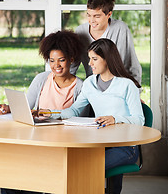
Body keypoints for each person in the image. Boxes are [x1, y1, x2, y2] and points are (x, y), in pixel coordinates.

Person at [45, 39, 145, 194]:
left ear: (108, 59)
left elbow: (139, 120)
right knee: (74, 165)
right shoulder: (90, 83)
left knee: (86, 167)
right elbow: (75, 111)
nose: (90, 63)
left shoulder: (127, 85)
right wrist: (50, 113)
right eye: (89, 58)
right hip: (100, 145)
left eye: (94, 59)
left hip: (126, 147)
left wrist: (115, 118)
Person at [0, 30, 87, 194]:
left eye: (61, 60)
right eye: (52, 60)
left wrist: (51, 113)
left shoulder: (81, 86)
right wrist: (8, 108)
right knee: (9, 176)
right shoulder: (41, 79)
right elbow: (27, 106)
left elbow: (80, 119)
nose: (56, 65)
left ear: (71, 60)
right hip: (36, 139)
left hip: (62, 144)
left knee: (35, 178)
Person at [71, 0, 142, 86]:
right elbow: (72, 66)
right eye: (89, 15)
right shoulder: (80, 31)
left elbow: (132, 64)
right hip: (93, 87)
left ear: (109, 14)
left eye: (97, 16)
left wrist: (136, 91)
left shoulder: (120, 28)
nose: (92, 21)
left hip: (118, 86)